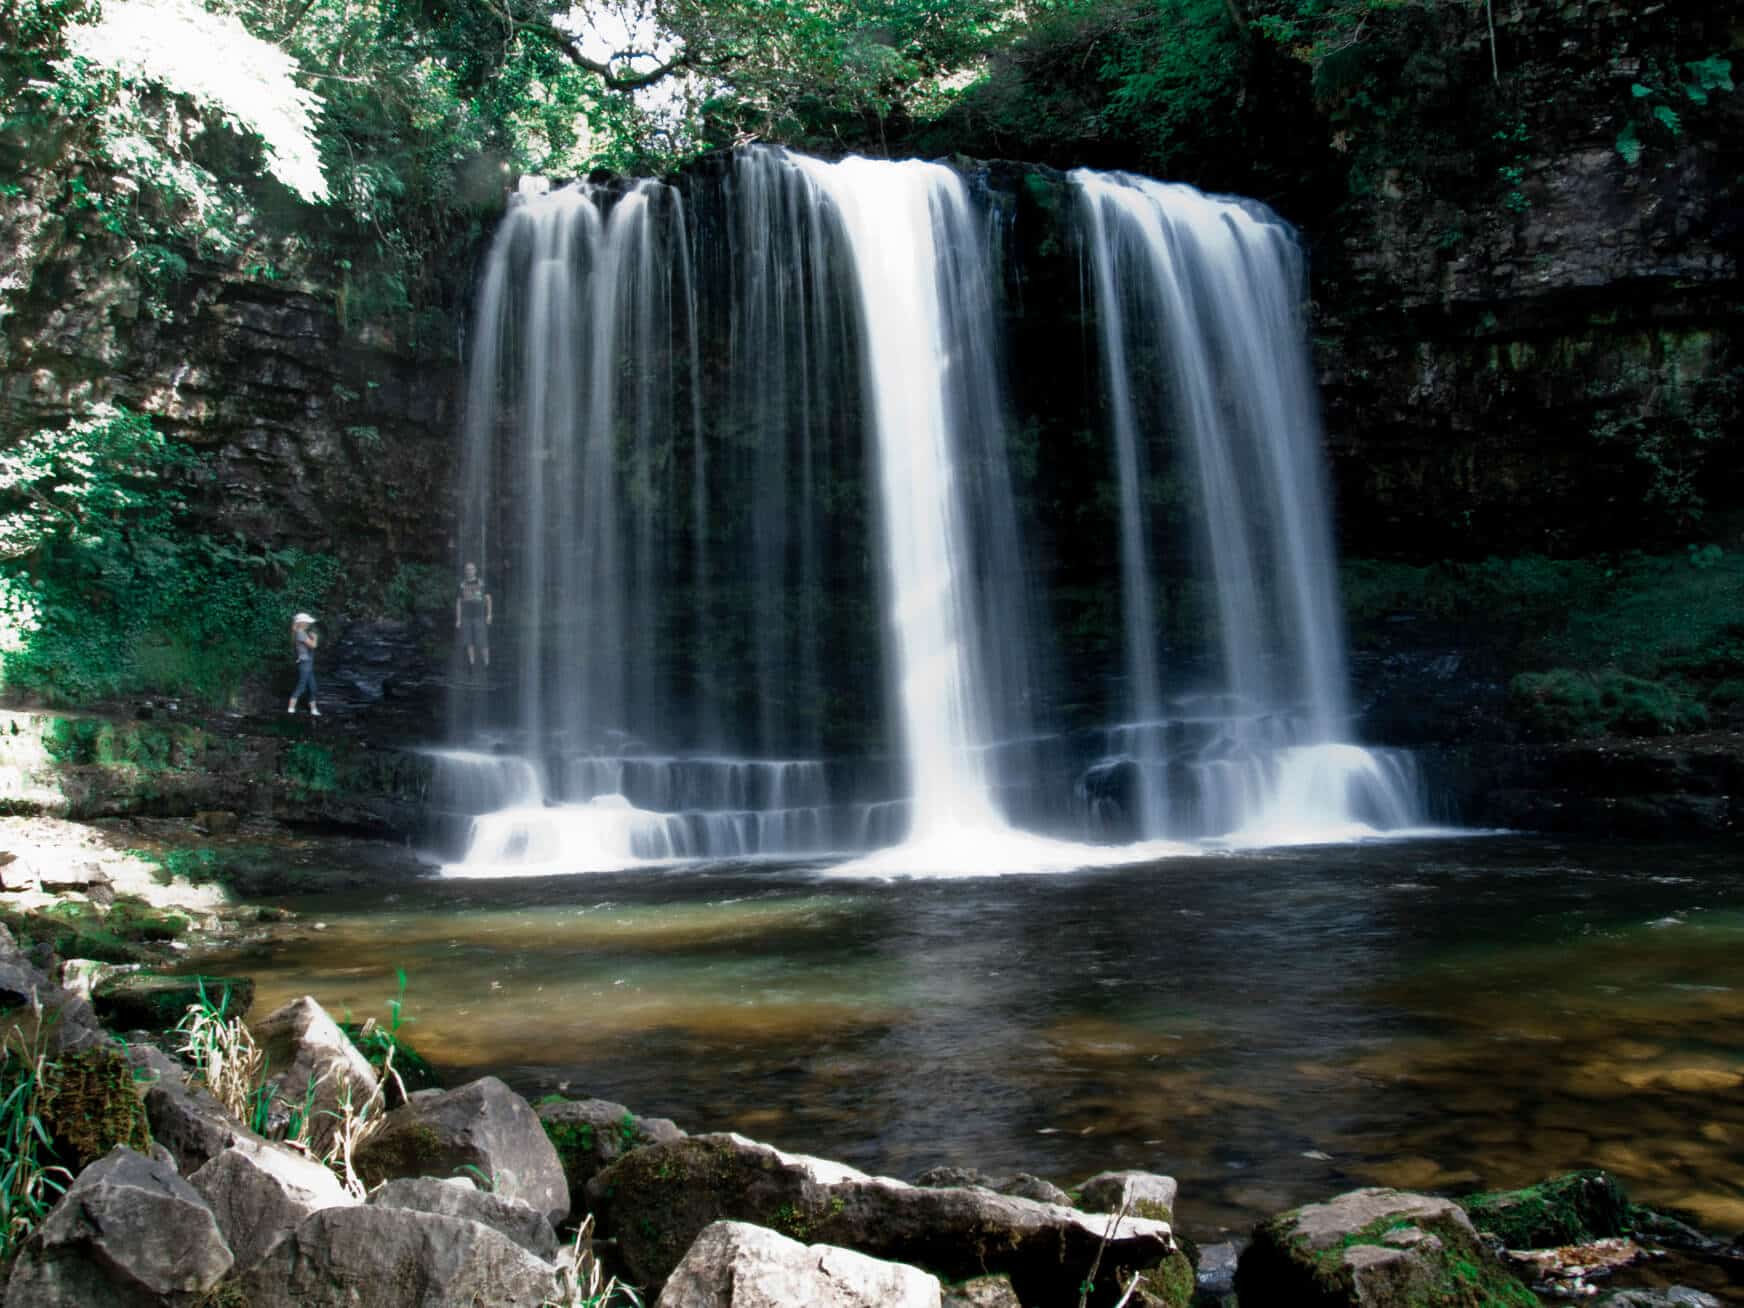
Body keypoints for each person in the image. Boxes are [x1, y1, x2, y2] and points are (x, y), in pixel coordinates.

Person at [456, 561, 493, 671]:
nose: (469, 571)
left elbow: (488, 599)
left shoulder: (481, 583)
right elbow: (458, 603)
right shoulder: (462, 585)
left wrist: (489, 614)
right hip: (466, 617)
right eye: (467, 569)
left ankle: (487, 663)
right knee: (469, 641)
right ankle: (471, 663)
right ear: (465, 571)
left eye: (471, 569)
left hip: (479, 616)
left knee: (482, 641)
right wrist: (458, 619)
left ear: (475, 570)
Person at [287, 613, 321, 716]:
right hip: (305, 663)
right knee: (301, 687)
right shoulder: (300, 633)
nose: (308, 624)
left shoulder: (301, 632)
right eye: (306, 622)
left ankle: (313, 709)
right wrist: (315, 637)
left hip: (308, 663)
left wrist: (310, 637)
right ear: (301, 623)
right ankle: (291, 708)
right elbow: (313, 645)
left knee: (313, 687)